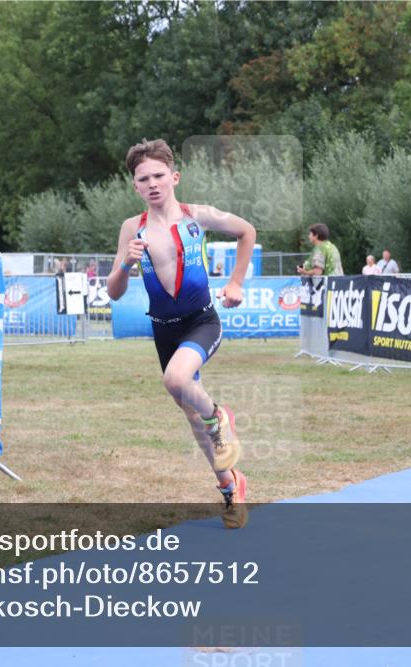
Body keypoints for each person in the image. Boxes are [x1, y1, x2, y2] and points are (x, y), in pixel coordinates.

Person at [107, 139, 254, 529]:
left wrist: (236, 282)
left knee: (176, 380)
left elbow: (246, 232)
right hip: (164, 330)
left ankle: (220, 415)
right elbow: (114, 290)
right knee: (190, 415)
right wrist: (125, 264)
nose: (152, 183)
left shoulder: (198, 216)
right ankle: (230, 486)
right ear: (135, 186)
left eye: (158, 175)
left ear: (174, 177)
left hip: (201, 321)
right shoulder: (131, 229)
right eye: (143, 179)